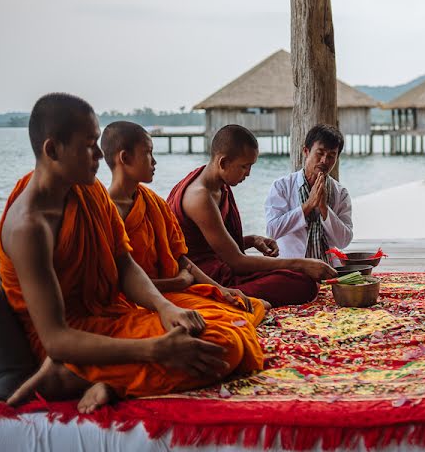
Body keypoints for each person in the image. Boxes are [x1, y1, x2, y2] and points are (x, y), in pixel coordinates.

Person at [0, 94, 243, 413]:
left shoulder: (89, 190)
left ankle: (106, 382)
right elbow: (56, 339)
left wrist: (165, 307)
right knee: (218, 349)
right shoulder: (29, 226)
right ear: (52, 150)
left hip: (110, 315)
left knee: (225, 331)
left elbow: (123, 262)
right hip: (71, 344)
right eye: (88, 145)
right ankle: (66, 377)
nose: (100, 154)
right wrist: (153, 350)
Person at [101, 120, 268, 371]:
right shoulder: (105, 211)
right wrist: (176, 283)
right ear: (124, 158)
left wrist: (221, 290)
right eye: (148, 154)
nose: (155, 162)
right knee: (225, 340)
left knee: (251, 307)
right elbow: (116, 286)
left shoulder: (153, 203)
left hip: (175, 295)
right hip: (137, 304)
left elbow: (182, 259)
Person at [167, 124, 335, 307]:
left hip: (221, 265)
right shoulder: (199, 197)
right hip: (206, 278)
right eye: (244, 166)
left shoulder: (215, 182)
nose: (248, 173)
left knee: (299, 278)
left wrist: (251, 240)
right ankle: (215, 299)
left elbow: (212, 244)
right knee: (302, 283)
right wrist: (301, 263)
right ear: (223, 162)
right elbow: (237, 261)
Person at [265, 124, 353, 266]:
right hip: (292, 267)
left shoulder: (340, 193)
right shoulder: (282, 186)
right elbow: (272, 230)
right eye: (320, 153)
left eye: (331, 156)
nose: (324, 160)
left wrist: (324, 208)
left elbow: (344, 241)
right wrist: (308, 205)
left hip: (329, 267)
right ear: (306, 151)